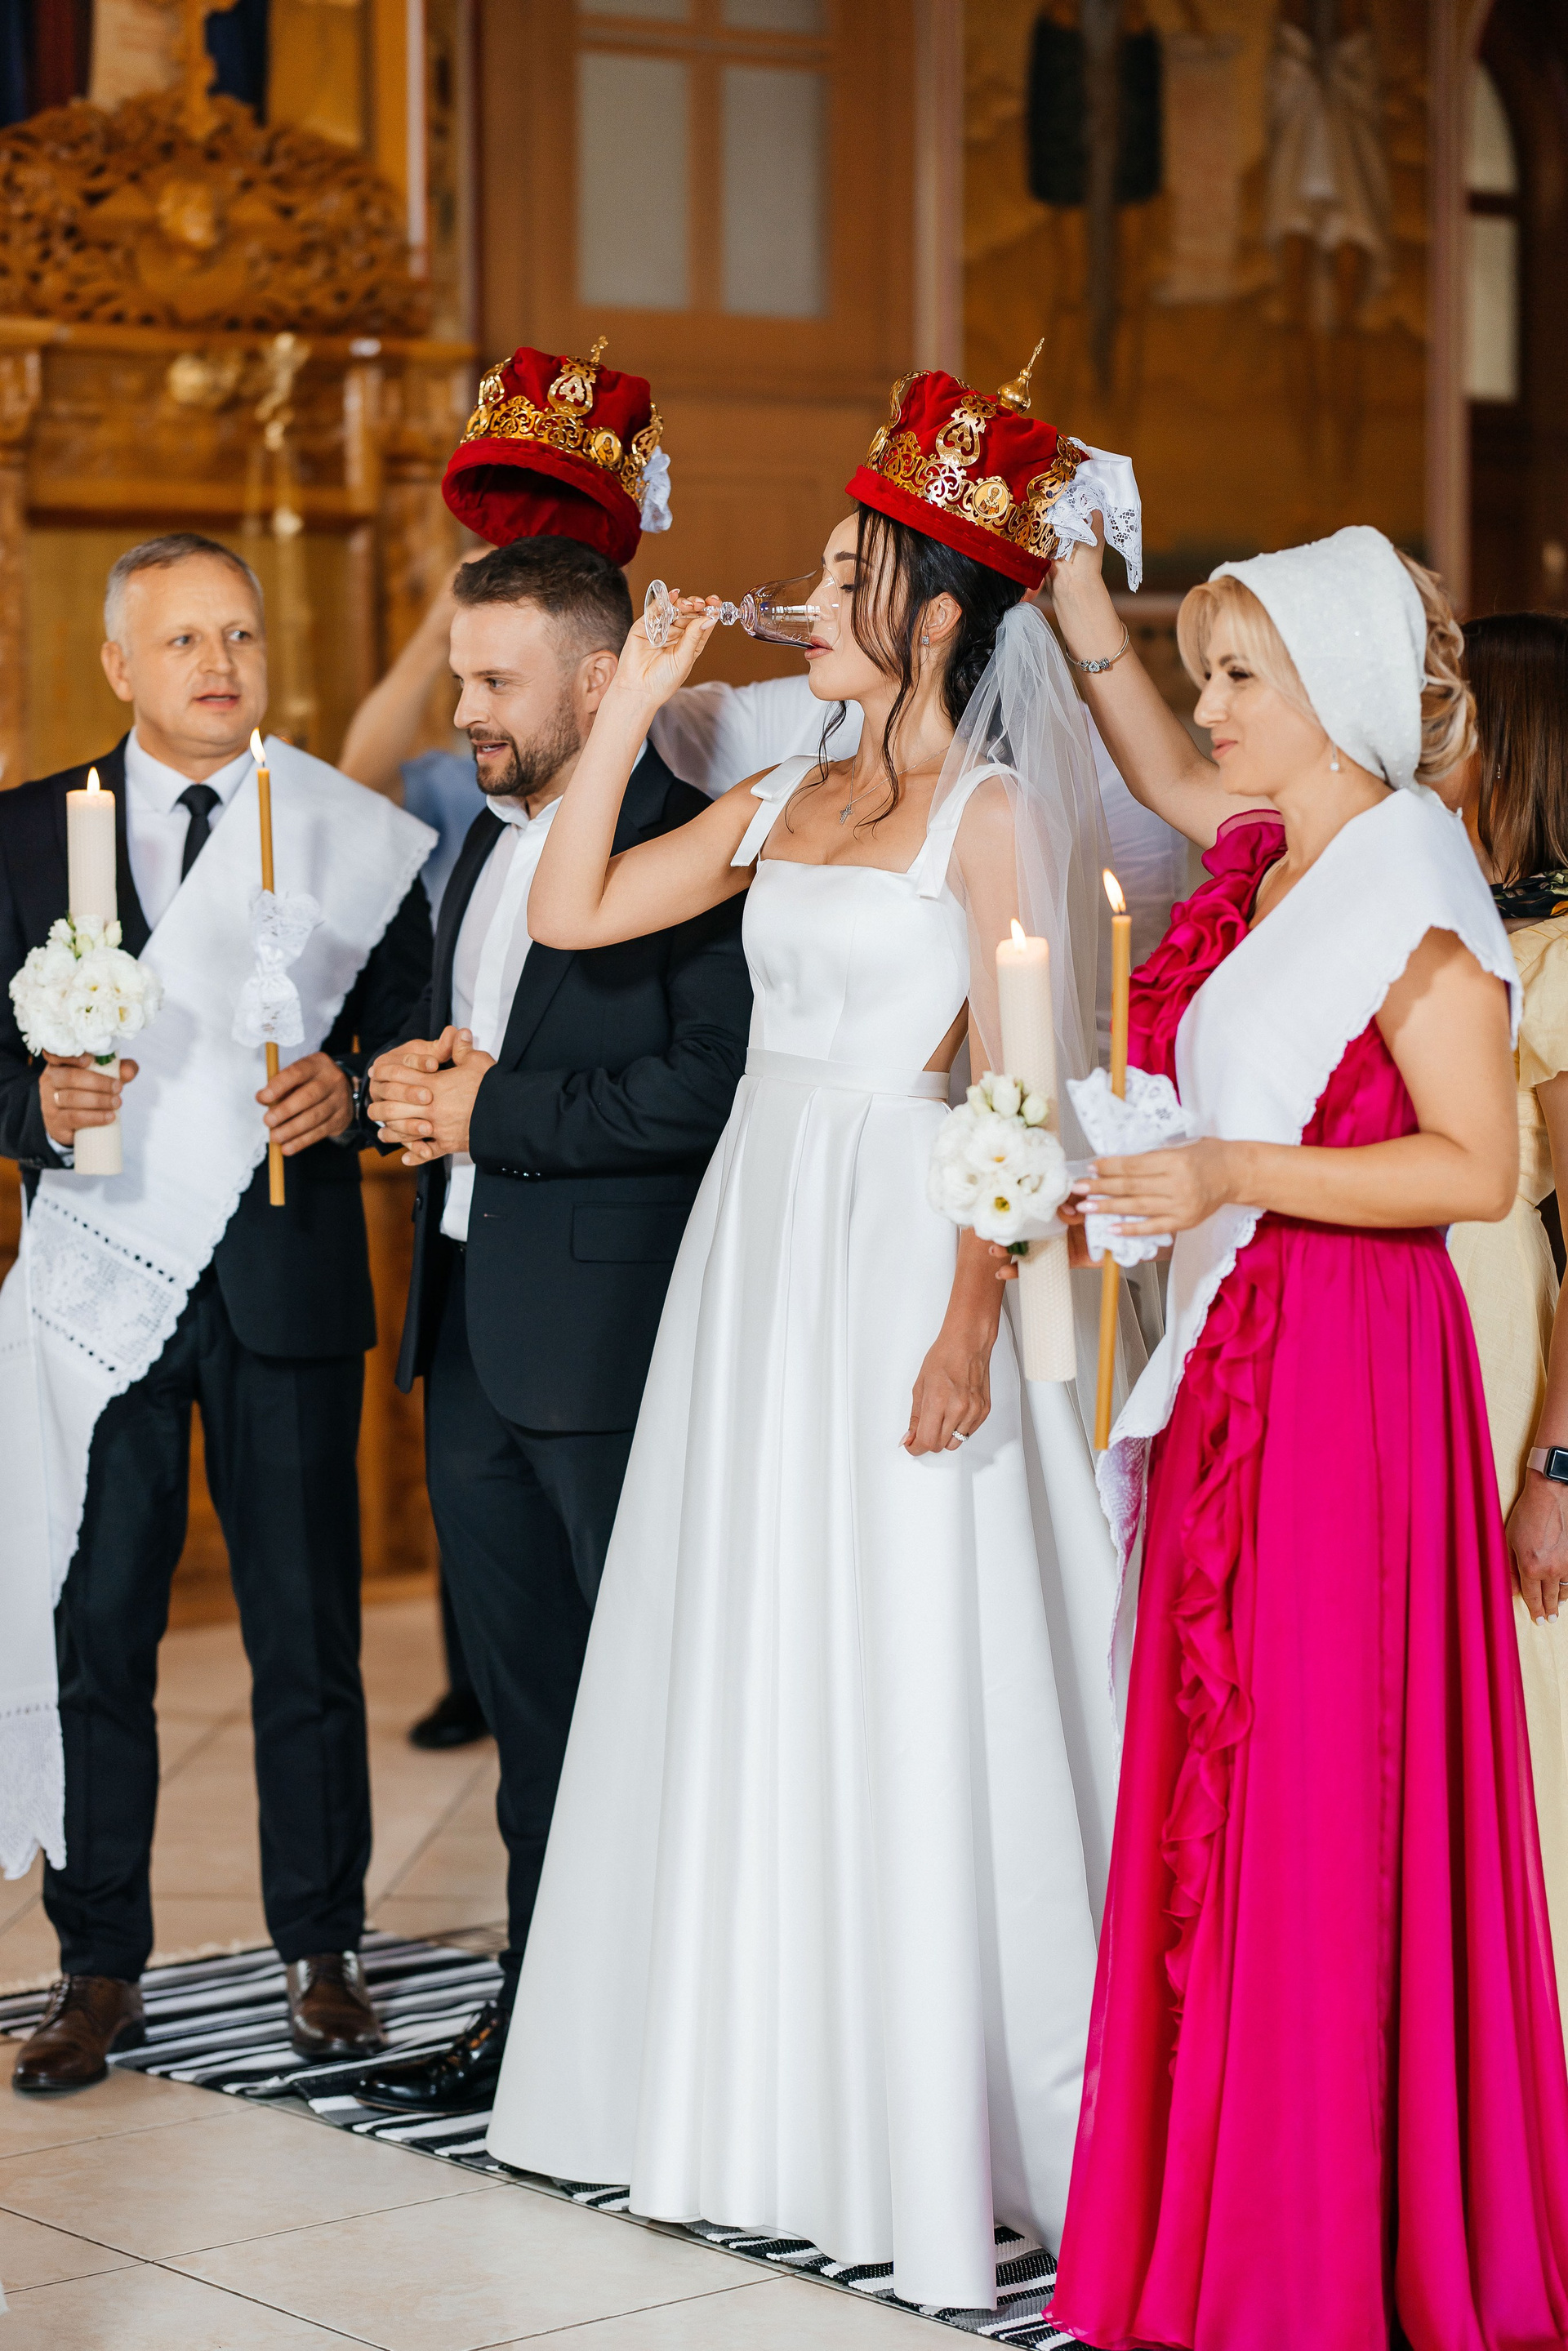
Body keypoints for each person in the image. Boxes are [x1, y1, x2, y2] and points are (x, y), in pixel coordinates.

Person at [483, 360, 1144, 2310]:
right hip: (756, 1238)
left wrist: (969, 1317)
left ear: (930, 620)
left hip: (896, 1237)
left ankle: (924, 2118)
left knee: (897, 1646)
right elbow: (572, 910)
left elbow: (1014, 1090)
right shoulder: (785, 795)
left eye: (850, 571)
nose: (810, 588)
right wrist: (629, 703)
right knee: (746, 1630)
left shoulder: (991, 815)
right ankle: (748, 2098)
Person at [1041, 522, 1568, 2349]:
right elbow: (1171, 778)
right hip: (1245, 1342)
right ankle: (1233, 2219)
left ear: (1333, 690)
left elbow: (1477, 1169)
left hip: (1350, 1362)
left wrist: (1229, 1170)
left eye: (1239, 674)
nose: (1211, 708)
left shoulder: (1408, 875)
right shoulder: (1283, 860)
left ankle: (1329, 2250)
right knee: (1233, 1763)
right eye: (1207, 671)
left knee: (1322, 1781)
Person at [354, 341, 755, 2119]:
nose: (467, 710)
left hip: (603, 1345)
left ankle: (670, 2044)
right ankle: (542, 2026)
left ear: (603, 678)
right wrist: (417, 1079)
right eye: (462, 676)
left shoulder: (698, 842)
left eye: (497, 681)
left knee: (642, 1701)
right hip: (466, 1328)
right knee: (529, 1713)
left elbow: (704, 1086)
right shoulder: (486, 845)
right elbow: (491, 1048)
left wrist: (490, 1111)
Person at [0, 532, 434, 2090]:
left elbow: (415, 1041)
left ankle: (323, 1949)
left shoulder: (341, 840)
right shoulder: (24, 832)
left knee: (307, 1635)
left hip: (283, 1282)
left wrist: (354, 1096)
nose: (217, 664)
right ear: (119, 662)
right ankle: (97, 1967)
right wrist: (37, 1109)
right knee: (98, 1631)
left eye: (239, 635)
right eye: (182, 639)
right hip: (102, 1286)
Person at [1445, 610, 1568, 2042]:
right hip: (1435, 1331)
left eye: (1454, 715)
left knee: (1527, 1709)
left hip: (1508, 1352)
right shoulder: (1462, 926)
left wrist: (1555, 1471)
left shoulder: (1557, 956)